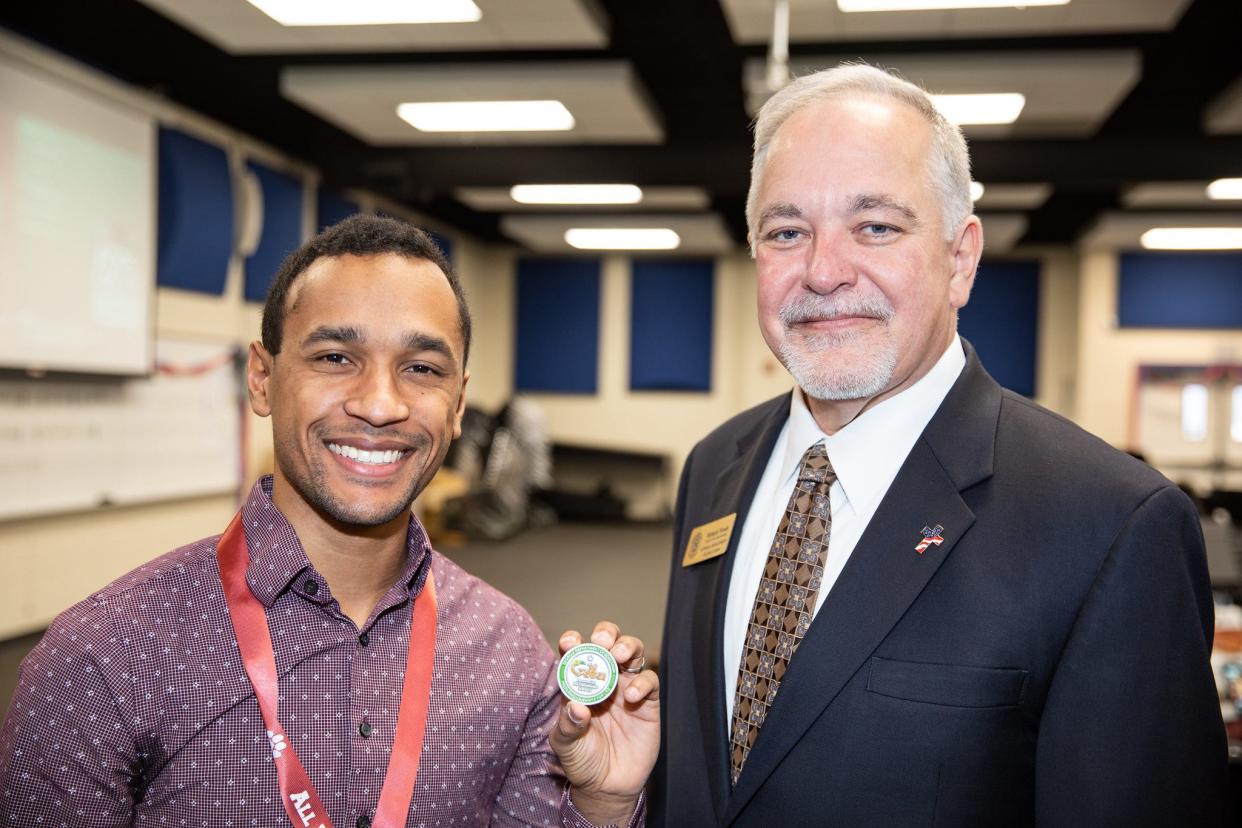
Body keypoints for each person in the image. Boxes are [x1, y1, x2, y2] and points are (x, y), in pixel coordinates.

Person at [651, 64, 1225, 826]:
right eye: (787, 232)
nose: (823, 271)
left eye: (877, 227)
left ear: (961, 258)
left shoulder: (1110, 525)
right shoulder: (715, 466)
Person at [0, 215, 658, 827]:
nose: (379, 404)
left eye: (421, 369)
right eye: (336, 358)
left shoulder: (511, 654)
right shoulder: (102, 658)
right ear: (262, 378)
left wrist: (600, 800)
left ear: (458, 407)